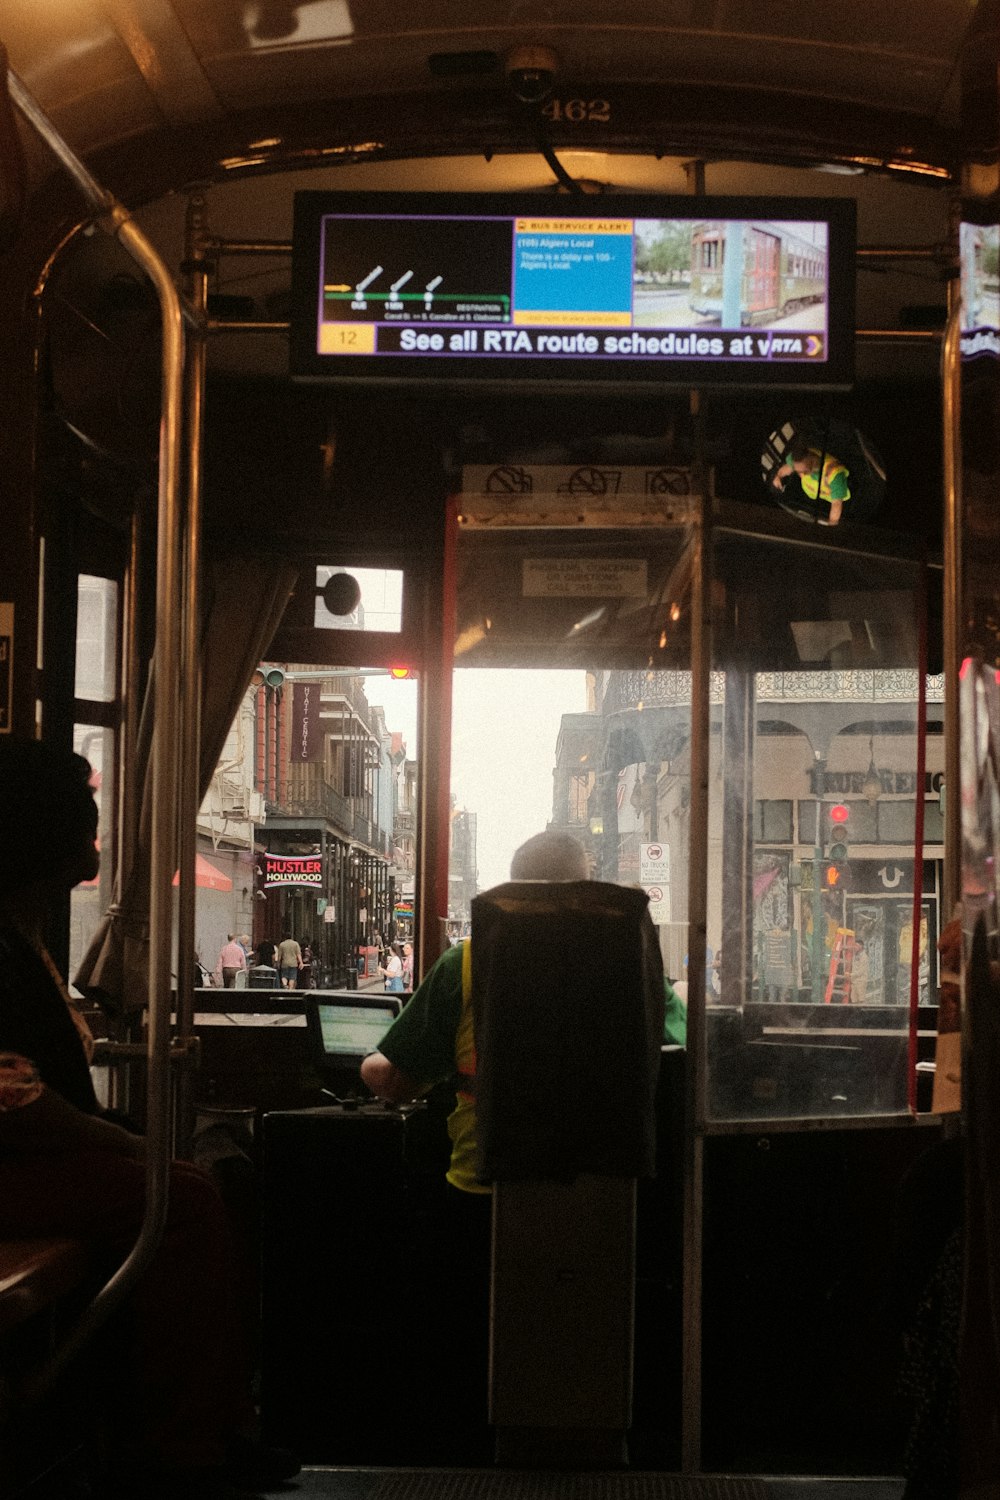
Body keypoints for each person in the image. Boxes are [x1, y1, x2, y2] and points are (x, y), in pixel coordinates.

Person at [0, 738, 298, 1500]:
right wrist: (123, 1140)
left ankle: (201, 1418)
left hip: (25, 1166)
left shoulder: (21, 933)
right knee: (185, 1199)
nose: (94, 841)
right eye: (85, 827)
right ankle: (182, 1445)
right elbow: (14, 1095)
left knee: (191, 1179)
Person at [361, 830, 686, 1195]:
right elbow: (677, 1050)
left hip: (486, 1185)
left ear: (512, 892)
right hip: (610, 1189)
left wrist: (368, 1065)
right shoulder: (632, 959)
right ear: (585, 886)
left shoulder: (465, 962)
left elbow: (396, 1083)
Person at [771, 439, 851, 526]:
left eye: (805, 471)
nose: (802, 474)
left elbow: (836, 504)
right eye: (798, 471)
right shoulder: (798, 458)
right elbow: (788, 467)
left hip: (829, 501)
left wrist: (831, 526)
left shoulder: (835, 474)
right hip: (811, 495)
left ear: (812, 461)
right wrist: (778, 476)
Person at [850, 938, 870, 1004]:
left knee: (861, 1000)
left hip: (861, 981)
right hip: (854, 981)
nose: (855, 947)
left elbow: (861, 971)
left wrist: (850, 975)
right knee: (854, 1000)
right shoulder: (855, 955)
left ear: (861, 946)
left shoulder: (864, 957)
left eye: (856, 945)